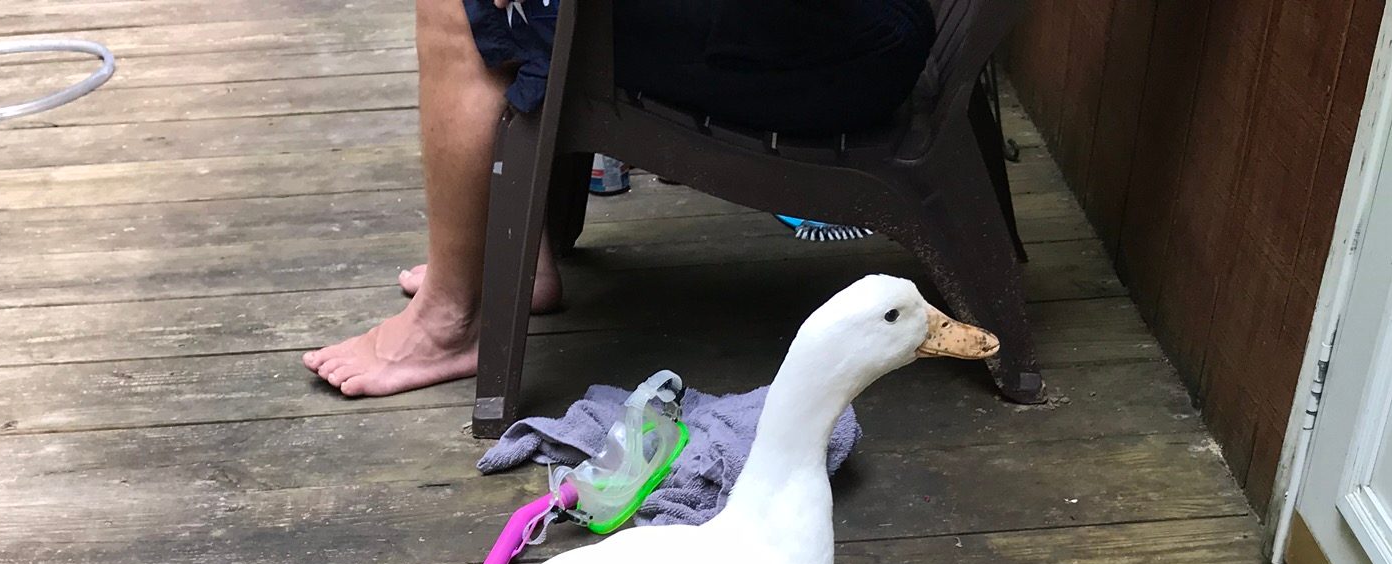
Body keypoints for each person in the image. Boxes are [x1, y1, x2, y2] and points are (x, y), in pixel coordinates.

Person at [303, 0, 936, 398]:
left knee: (458, 8)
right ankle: (523, 264)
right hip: (846, 26)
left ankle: (449, 322)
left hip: (841, 45)